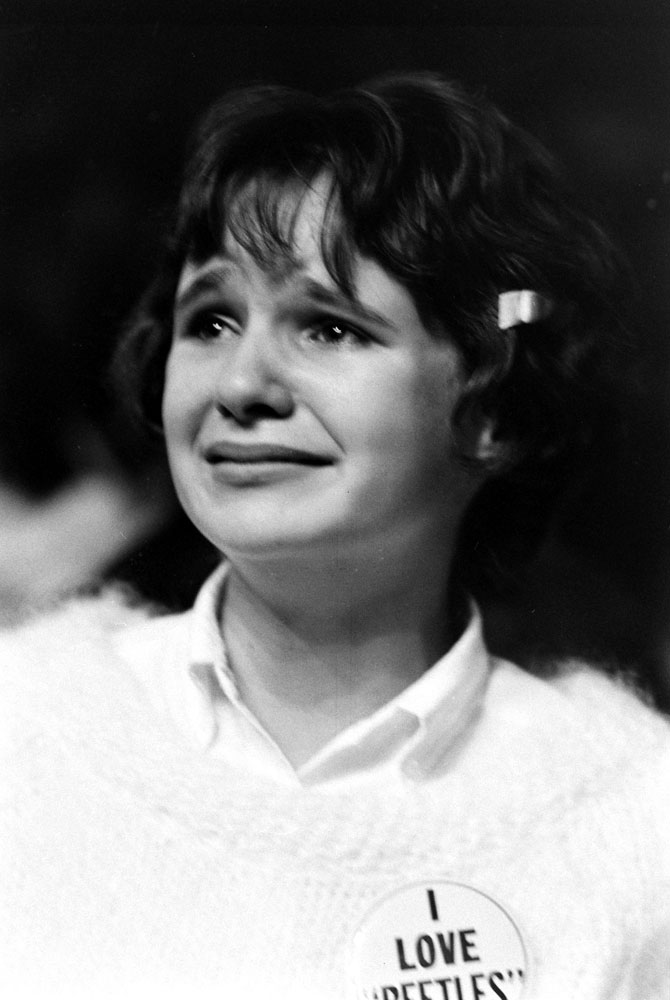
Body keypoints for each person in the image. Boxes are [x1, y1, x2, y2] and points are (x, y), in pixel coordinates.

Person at [1, 72, 668, 1000]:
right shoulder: (25, 729)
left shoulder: (630, 814)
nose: (242, 383)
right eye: (212, 320)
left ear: (495, 413)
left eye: (327, 328)